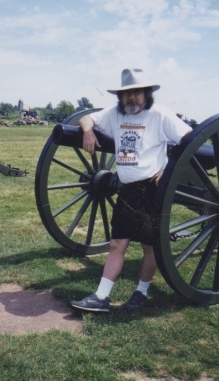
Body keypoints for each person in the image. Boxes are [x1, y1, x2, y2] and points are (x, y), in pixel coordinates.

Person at [70, 68, 191, 313]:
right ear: (120, 97)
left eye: (136, 92)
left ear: (146, 93)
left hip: (151, 189)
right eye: (126, 94)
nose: (131, 98)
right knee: (117, 244)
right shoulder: (115, 114)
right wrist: (88, 130)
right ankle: (101, 297)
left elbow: (188, 138)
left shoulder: (159, 114)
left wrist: (168, 171)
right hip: (127, 190)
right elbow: (86, 118)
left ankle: (141, 292)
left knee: (149, 247)